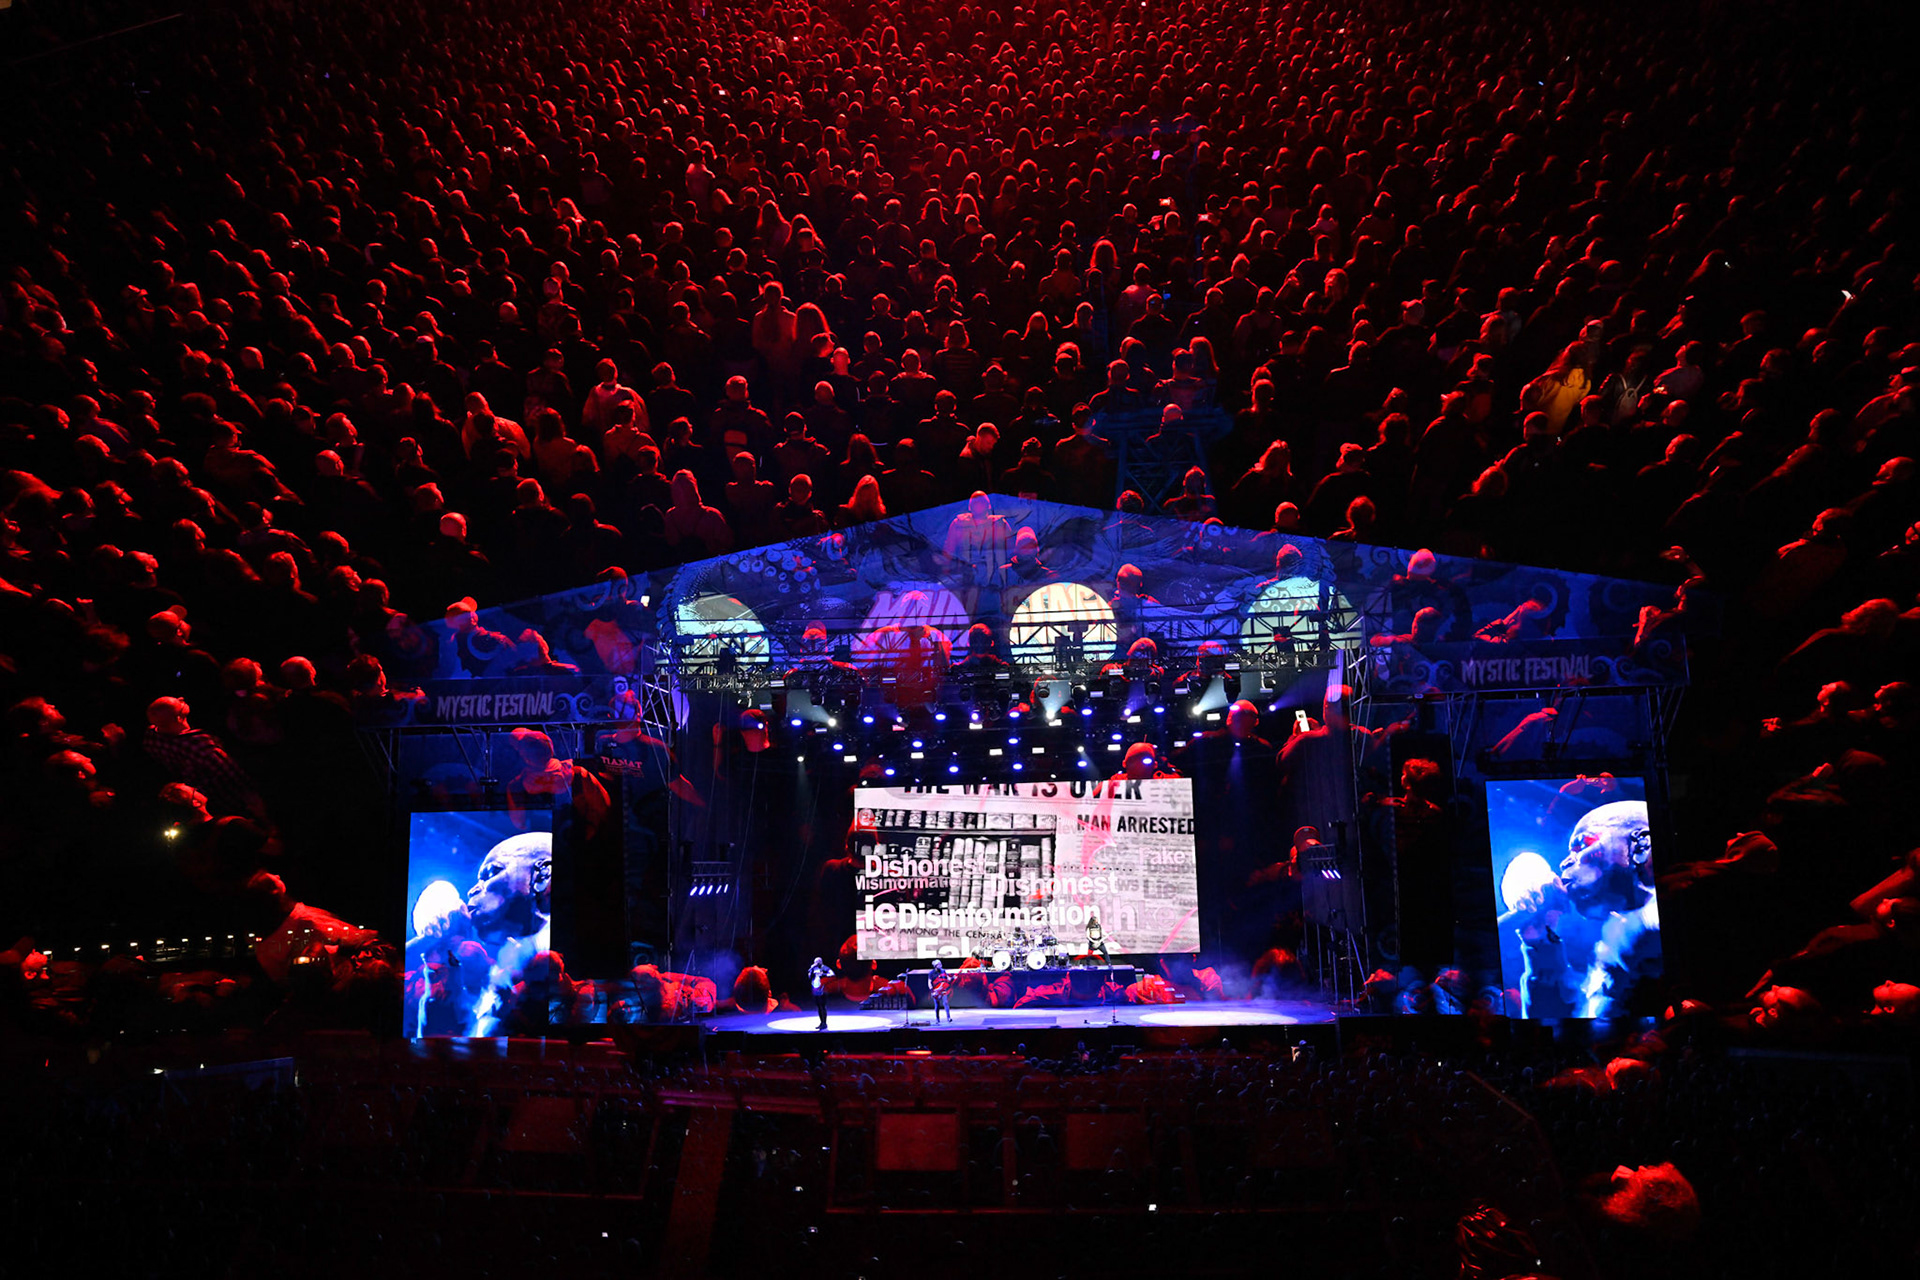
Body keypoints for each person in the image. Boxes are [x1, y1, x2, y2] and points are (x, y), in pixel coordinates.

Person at [1504, 800, 1662, 1018]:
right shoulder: (1609, 948)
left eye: (1581, 845)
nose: (1564, 863)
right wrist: (1540, 941)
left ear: (1641, 844)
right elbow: (1557, 1024)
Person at [808, 955, 833, 1029]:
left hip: (823, 989)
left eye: (817, 962)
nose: (816, 963)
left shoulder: (824, 968)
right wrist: (811, 969)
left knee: (822, 1006)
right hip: (815, 989)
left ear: (820, 962)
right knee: (819, 1006)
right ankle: (821, 1022)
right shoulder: (813, 968)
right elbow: (809, 977)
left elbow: (832, 974)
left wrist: (823, 974)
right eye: (815, 962)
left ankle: (824, 1023)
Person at [928, 958, 953, 1023]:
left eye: (940, 964)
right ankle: (937, 1019)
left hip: (943, 990)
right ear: (935, 966)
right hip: (936, 991)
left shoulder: (943, 971)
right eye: (939, 964)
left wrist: (952, 978)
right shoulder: (931, 973)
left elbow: (948, 978)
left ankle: (949, 1018)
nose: (940, 965)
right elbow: (929, 982)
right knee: (937, 1005)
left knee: (946, 1003)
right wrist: (932, 991)